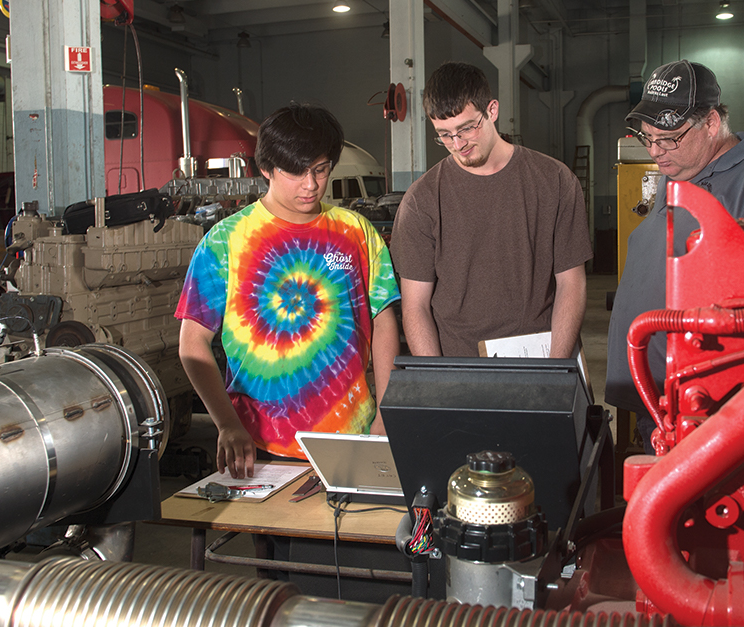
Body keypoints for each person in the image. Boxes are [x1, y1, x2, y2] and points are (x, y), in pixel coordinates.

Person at [176, 102, 400, 480]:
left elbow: (384, 324)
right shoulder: (225, 242)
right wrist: (227, 424)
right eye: (295, 172)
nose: (310, 184)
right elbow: (192, 344)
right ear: (266, 168)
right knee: (280, 538)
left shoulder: (356, 233)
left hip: (351, 435)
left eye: (320, 170)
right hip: (261, 444)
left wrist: (386, 413)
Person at [605, 60, 744, 452]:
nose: (656, 152)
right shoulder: (678, 170)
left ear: (711, 122)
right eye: (647, 138)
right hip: (658, 394)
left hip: (707, 405)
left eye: (668, 139)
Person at [391, 62, 592, 359]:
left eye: (466, 128)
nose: (457, 144)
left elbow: (571, 284)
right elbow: (415, 306)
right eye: (444, 134)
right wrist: (436, 384)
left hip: (539, 356)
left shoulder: (555, 181)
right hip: (459, 367)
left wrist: (556, 370)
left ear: (492, 110)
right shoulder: (421, 201)